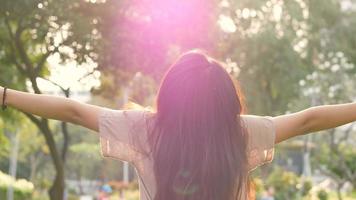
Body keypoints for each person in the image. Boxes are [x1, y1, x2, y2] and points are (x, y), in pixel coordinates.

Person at [1, 50, 356, 200]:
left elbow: (73, 111)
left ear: (169, 95)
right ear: (226, 101)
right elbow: (310, 118)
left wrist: (5, 95)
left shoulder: (145, 129)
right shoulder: (242, 133)